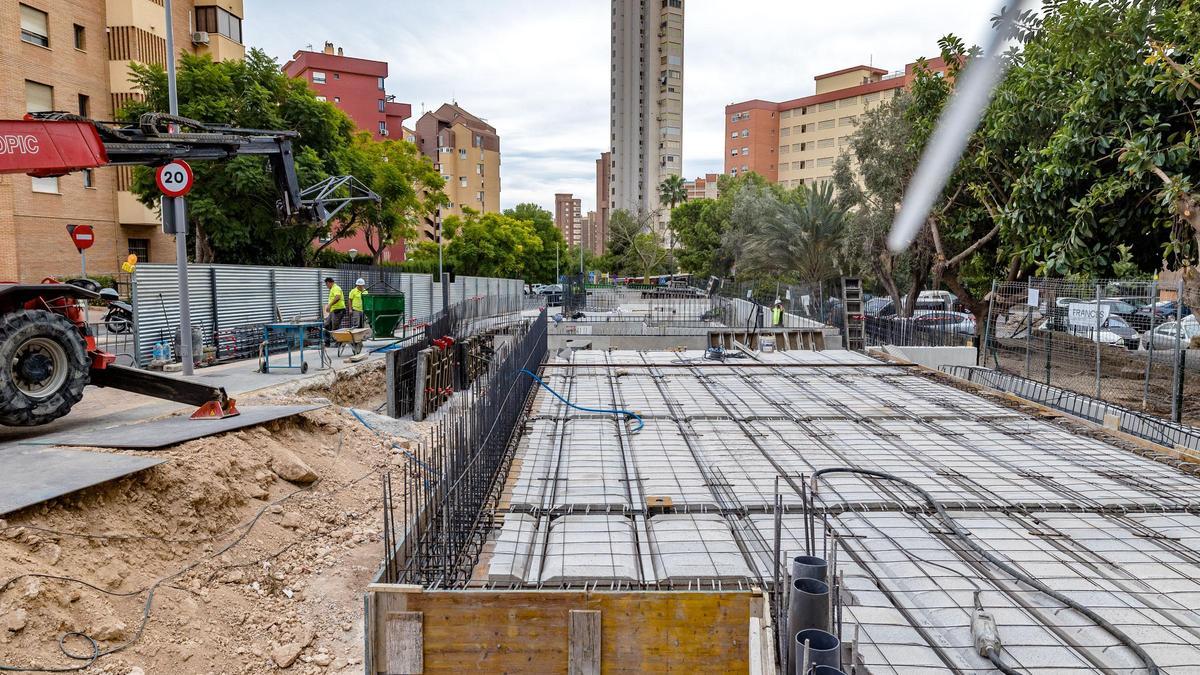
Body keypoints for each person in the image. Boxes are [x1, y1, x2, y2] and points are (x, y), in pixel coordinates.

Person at [323, 277, 346, 345]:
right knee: (327, 325)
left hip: (338, 310)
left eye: (326, 285)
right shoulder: (332, 289)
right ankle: (327, 342)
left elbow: (338, 297)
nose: (327, 286)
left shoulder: (336, 288)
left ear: (329, 283)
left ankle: (339, 342)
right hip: (334, 310)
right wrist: (330, 307)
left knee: (335, 327)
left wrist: (329, 305)